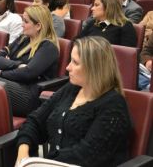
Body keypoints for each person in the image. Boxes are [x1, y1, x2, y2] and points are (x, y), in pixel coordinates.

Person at [15, 36, 132, 167]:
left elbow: (86, 156)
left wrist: (44, 161)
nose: (67, 67)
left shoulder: (114, 106)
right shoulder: (71, 89)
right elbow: (35, 121)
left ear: (94, 68)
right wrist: (23, 152)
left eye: (75, 62)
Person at [0, 5, 59, 117]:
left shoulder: (48, 46)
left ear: (38, 25)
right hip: (13, 84)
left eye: (26, 21)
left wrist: (1, 72)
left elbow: (28, 73)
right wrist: (18, 65)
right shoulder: (23, 39)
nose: (22, 25)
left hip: (28, 95)